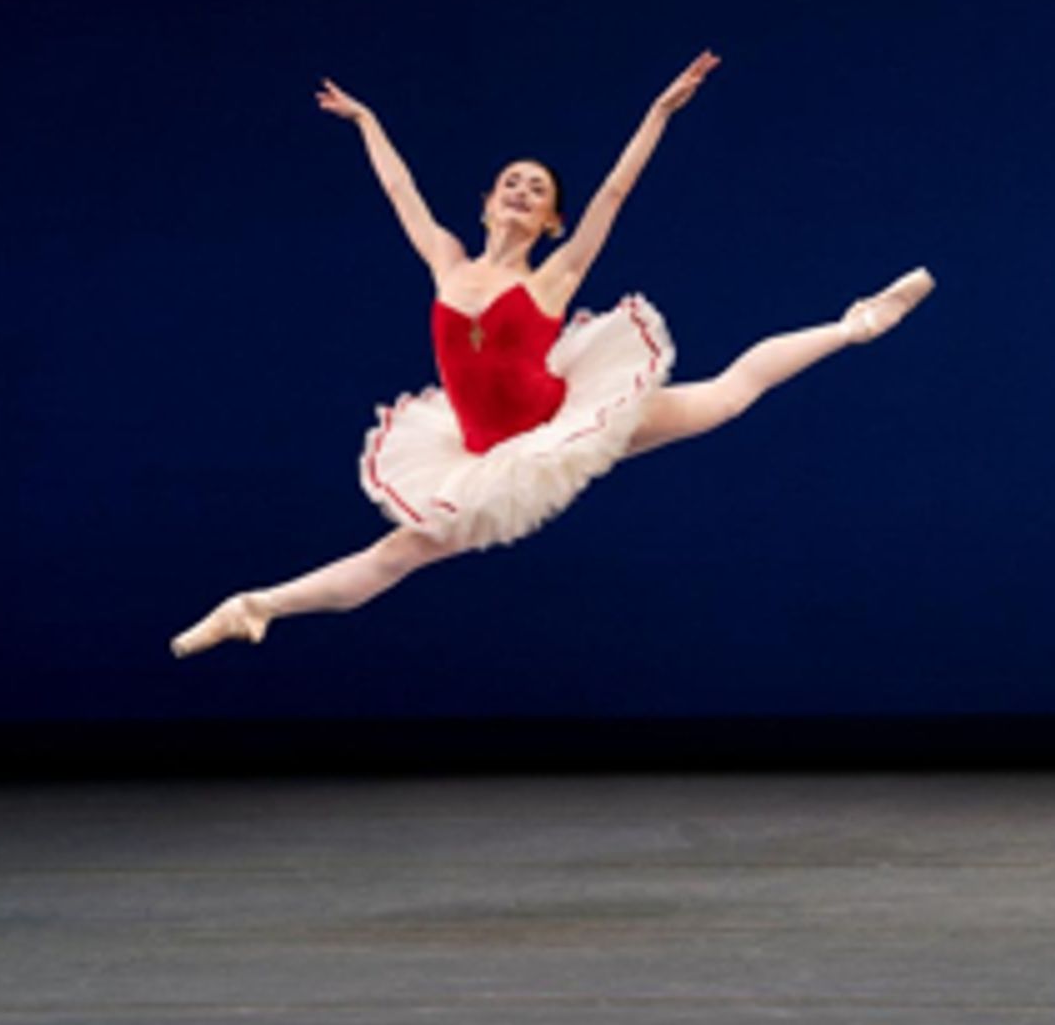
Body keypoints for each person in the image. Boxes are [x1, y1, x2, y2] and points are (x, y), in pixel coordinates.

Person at [170, 49, 934, 658]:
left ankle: (855, 323)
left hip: (563, 423)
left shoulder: (556, 278)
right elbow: (400, 190)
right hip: (476, 457)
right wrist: (366, 119)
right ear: (485, 201)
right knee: (395, 555)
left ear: (552, 221)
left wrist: (659, 113)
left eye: (537, 190)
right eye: (511, 182)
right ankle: (254, 605)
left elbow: (612, 194)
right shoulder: (445, 258)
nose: (521, 191)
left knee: (728, 395)